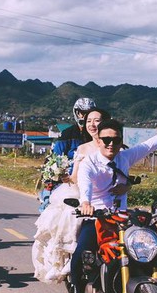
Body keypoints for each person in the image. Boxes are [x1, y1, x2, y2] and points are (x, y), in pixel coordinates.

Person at [70, 118, 157, 293]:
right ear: (98, 140)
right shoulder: (89, 163)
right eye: (106, 140)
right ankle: (76, 290)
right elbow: (85, 186)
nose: (111, 144)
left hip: (123, 219)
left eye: (115, 140)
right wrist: (85, 202)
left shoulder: (125, 157)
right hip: (97, 217)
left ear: (121, 140)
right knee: (81, 251)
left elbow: (151, 144)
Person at [32, 108, 111, 283]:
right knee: (69, 216)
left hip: (107, 198)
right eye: (89, 121)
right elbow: (75, 176)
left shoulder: (112, 146)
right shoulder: (83, 148)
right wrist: (64, 176)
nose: (92, 124)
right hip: (81, 193)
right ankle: (69, 261)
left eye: (96, 121)